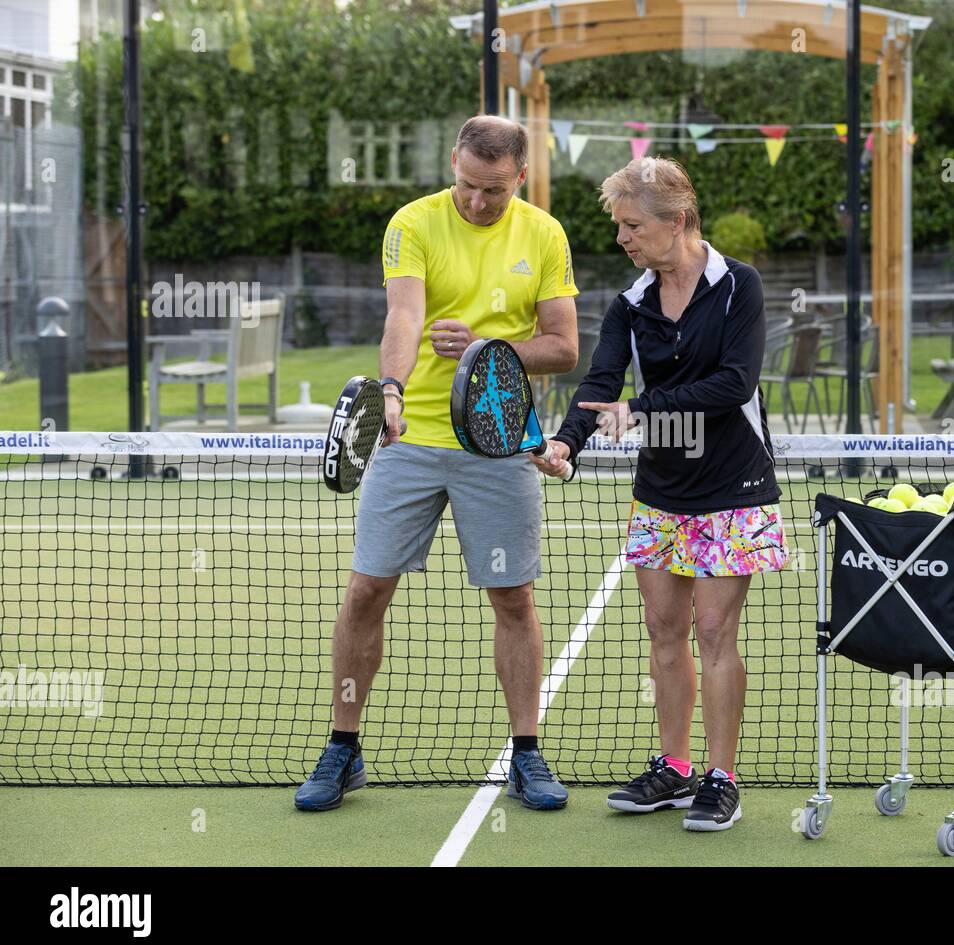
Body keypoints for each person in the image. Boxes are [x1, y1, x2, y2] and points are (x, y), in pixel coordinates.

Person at [295, 115, 579, 812]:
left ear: (520, 176)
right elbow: (403, 317)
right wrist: (390, 390)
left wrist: (486, 346)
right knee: (366, 591)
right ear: (453, 161)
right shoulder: (412, 222)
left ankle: (527, 753)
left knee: (512, 598)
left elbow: (565, 347)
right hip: (410, 437)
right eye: (467, 185)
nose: (479, 203)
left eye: (494, 191)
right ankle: (343, 746)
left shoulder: (544, 234)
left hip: (500, 438)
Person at [532, 157, 786, 831]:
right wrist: (565, 444)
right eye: (619, 225)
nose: (623, 237)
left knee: (714, 632)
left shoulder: (739, 288)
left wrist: (640, 409)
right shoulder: (631, 304)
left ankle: (721, 776)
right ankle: (675, 768)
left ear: (677, 222)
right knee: (664, 631)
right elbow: (599, 382)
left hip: (735, 486)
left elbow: (735, 384)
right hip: (661, 492)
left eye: (633, 225)